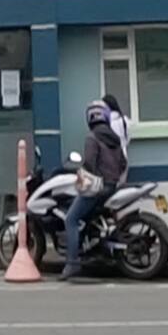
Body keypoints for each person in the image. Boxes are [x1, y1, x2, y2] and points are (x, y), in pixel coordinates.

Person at [61, 99, 127, 280]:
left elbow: (90, 163)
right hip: (113, 186)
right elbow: (123, 163)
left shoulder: (92, 137)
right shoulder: (115, 138)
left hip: (98, 188)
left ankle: (72, 263)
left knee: (71, 219)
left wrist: (85, 176)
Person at [102, 93, 131, 184]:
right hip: (123, 156)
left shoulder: (105, 122)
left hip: (109, 158)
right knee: (121, 186)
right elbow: (128, 138)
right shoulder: (125, 120)